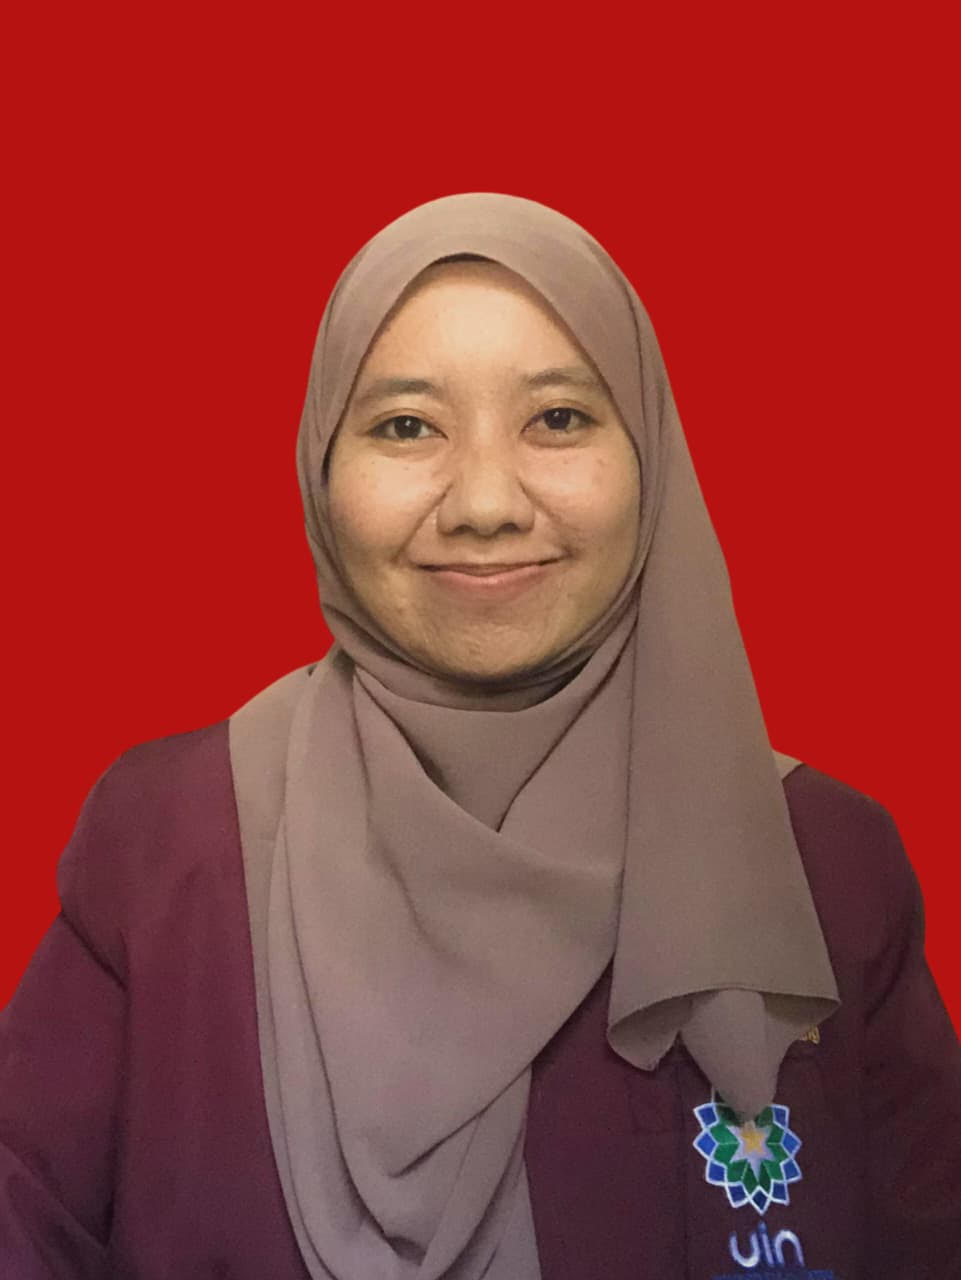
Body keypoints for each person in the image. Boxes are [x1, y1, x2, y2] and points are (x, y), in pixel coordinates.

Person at [1, 193, 959, 1280]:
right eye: (406, 426)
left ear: (648, 455)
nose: (487, 502)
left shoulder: (823, 858)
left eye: (558, 418)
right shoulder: (169, 836)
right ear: (322, 466)